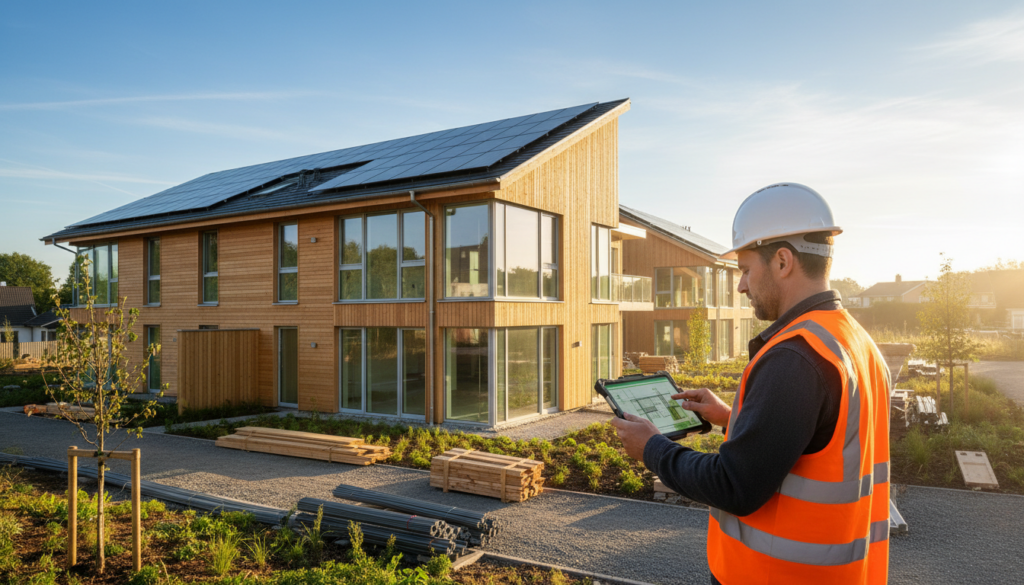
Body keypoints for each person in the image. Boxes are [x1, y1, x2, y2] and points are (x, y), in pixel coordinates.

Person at [610, 183, 891, 585]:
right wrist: (731, 418)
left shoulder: (795, 357)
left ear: (782, 261)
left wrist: (652, 448)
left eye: (745, 270)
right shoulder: (852, 341)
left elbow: (733, 486)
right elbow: (818, 443)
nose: (741, 286)